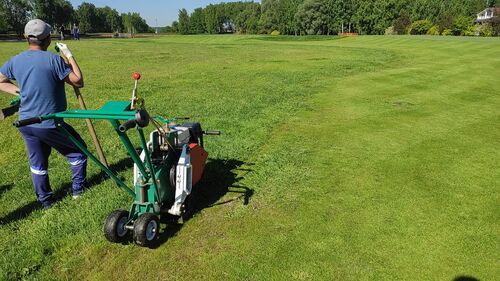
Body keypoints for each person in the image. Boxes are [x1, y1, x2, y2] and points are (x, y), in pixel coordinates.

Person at [0, 19, 87, 209]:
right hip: (49, 122)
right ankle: (78, 191)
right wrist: (69, 55)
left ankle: (45, 202)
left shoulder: (17, 59)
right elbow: (78, 81)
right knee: (79, 152)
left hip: (26, 123)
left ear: (26, 37)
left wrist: (18, 91)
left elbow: (0, 79)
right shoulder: (53, 60)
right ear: (47, 39)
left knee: (38, 163)